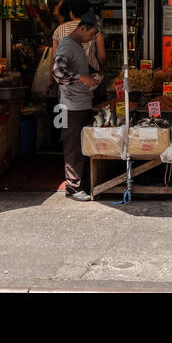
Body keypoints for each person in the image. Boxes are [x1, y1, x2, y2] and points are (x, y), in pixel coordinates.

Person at [51, 11, 104, 202]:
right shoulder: (67, 44)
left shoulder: (77, 45)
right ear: (82, 28)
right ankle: (73, 187)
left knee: (81, 145)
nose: (92, 39)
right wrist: (82, 78)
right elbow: (57, 72)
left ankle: (81, 182)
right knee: (73, 146)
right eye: (91, 35)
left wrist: (91, 75)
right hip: (70, 107)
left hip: (80, 103)